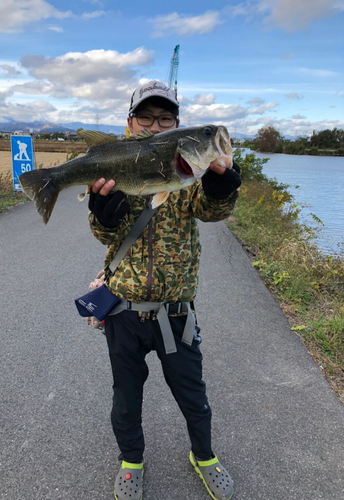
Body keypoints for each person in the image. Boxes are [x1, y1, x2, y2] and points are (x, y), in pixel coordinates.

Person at [88, 80, 241, 500]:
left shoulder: (184, 173)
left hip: (176, 313)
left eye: (165, 118)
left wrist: (222, 187)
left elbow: (211, 213)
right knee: (126, 395)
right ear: (130, 122)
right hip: (123, 309)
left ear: (176, 123)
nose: (155, 126)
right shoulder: (116, 165)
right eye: (146, 117)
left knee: (193, 393)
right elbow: (105, 235)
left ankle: (204, 456)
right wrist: (100, 213)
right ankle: (131, 461)